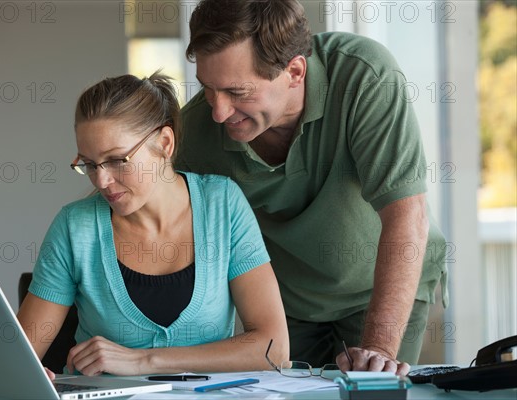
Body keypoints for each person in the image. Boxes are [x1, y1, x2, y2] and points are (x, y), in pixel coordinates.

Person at [177, 0, 448, 375]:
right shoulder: (195, 132)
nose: (219, 112)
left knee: (374, 388)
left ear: (294, 71)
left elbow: (406, 214)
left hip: (381, 290)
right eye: (208, 88)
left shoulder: (364, 76)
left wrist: (377, 349)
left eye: (238, 92)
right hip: (290, 305)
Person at [16, 71, 289, 377]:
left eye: (118, 160)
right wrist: (28, 377)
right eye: (91, 165)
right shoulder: (74, 227)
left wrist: (145, 360)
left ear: (165, 143)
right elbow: (15, 362)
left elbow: (274, 348)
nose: (102, 181)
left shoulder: (223, 205)